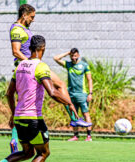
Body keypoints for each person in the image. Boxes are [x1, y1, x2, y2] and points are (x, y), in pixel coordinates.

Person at [0, 35, 78, 162]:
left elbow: (9, 93)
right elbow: (52, 92)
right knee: (44, 152)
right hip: (33, 119)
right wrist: (69, 103)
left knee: (28, 152)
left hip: (19, 118)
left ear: (30, 48)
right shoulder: (41, 67)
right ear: (42, 48)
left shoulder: (20, 66)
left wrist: (13, 113)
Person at [8, 4, 87, 153]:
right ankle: (74, 117)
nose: (33, 20)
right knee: (60, 85)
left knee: (23, 103)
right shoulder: (17, 29)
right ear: (24, 15)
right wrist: (30, 63)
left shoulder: (23, 29)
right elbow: (15, 51)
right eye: (32, 17)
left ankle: (14, 138)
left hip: (28, 66)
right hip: (29, 66)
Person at [53, 48, 93, 141]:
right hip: (70, 94)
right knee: (73, 115)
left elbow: (89, 79)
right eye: (72, 56)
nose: (73, 58)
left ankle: (89, 136)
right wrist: (67, 53)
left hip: (82, 94)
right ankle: (75, 136)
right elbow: (56, 58)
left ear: (78, 55)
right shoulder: (68, 65)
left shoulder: (84, 65)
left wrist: (90, 93)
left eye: (75, 56)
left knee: (85, 114)